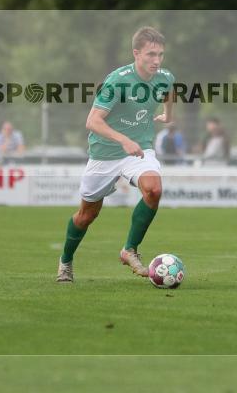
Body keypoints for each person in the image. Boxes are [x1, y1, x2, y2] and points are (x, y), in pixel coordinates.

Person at [56, 26, 174, 283]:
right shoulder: (117, 80)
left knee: (153, 190)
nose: (156, 60)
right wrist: (123, 140)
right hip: (105, 153)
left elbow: (169, 91)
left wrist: (168, 115)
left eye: (160, 55)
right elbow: (93, 121)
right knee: (87, 215)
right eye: (151, 54)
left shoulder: (164, 76)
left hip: (139, 148)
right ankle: (65, 261)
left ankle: (129, 250)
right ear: (136, 53)